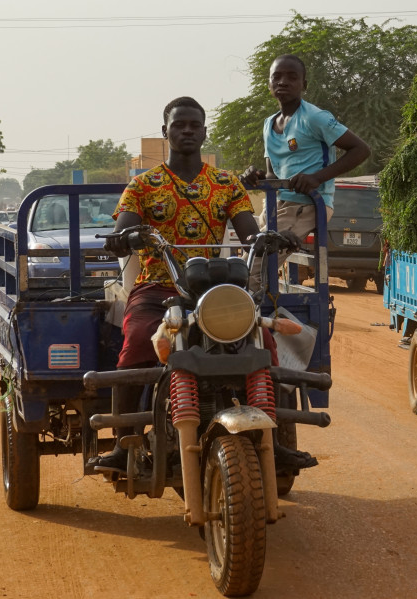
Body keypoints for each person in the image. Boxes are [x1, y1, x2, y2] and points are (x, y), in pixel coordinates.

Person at [92, 96, 265, 473]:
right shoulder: (143, 184)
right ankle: (124, 444)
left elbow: (249, 232)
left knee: (262, 343)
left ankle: (272, 439)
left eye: (194, 125)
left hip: (213, 290)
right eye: (179, 125)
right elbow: (123, 229)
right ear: (165, 131)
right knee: (136, 342)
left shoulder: (226, 183)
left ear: (204, 132)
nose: (187, 130)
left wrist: (266, 240)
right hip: (157, 287)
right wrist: (124, 237)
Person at [241, 54, 370, 276]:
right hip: (278, 204)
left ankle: (241, 308)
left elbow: (361, 150)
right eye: (277, 76)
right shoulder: (268, 124)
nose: (283, 82)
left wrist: (317, 177)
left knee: (252, 268)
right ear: (269, 83)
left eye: (292, 77)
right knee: (250, 258)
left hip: (308, 205)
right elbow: (274, 175)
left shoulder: (314, 117)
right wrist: (256, 176)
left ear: (304, 85)